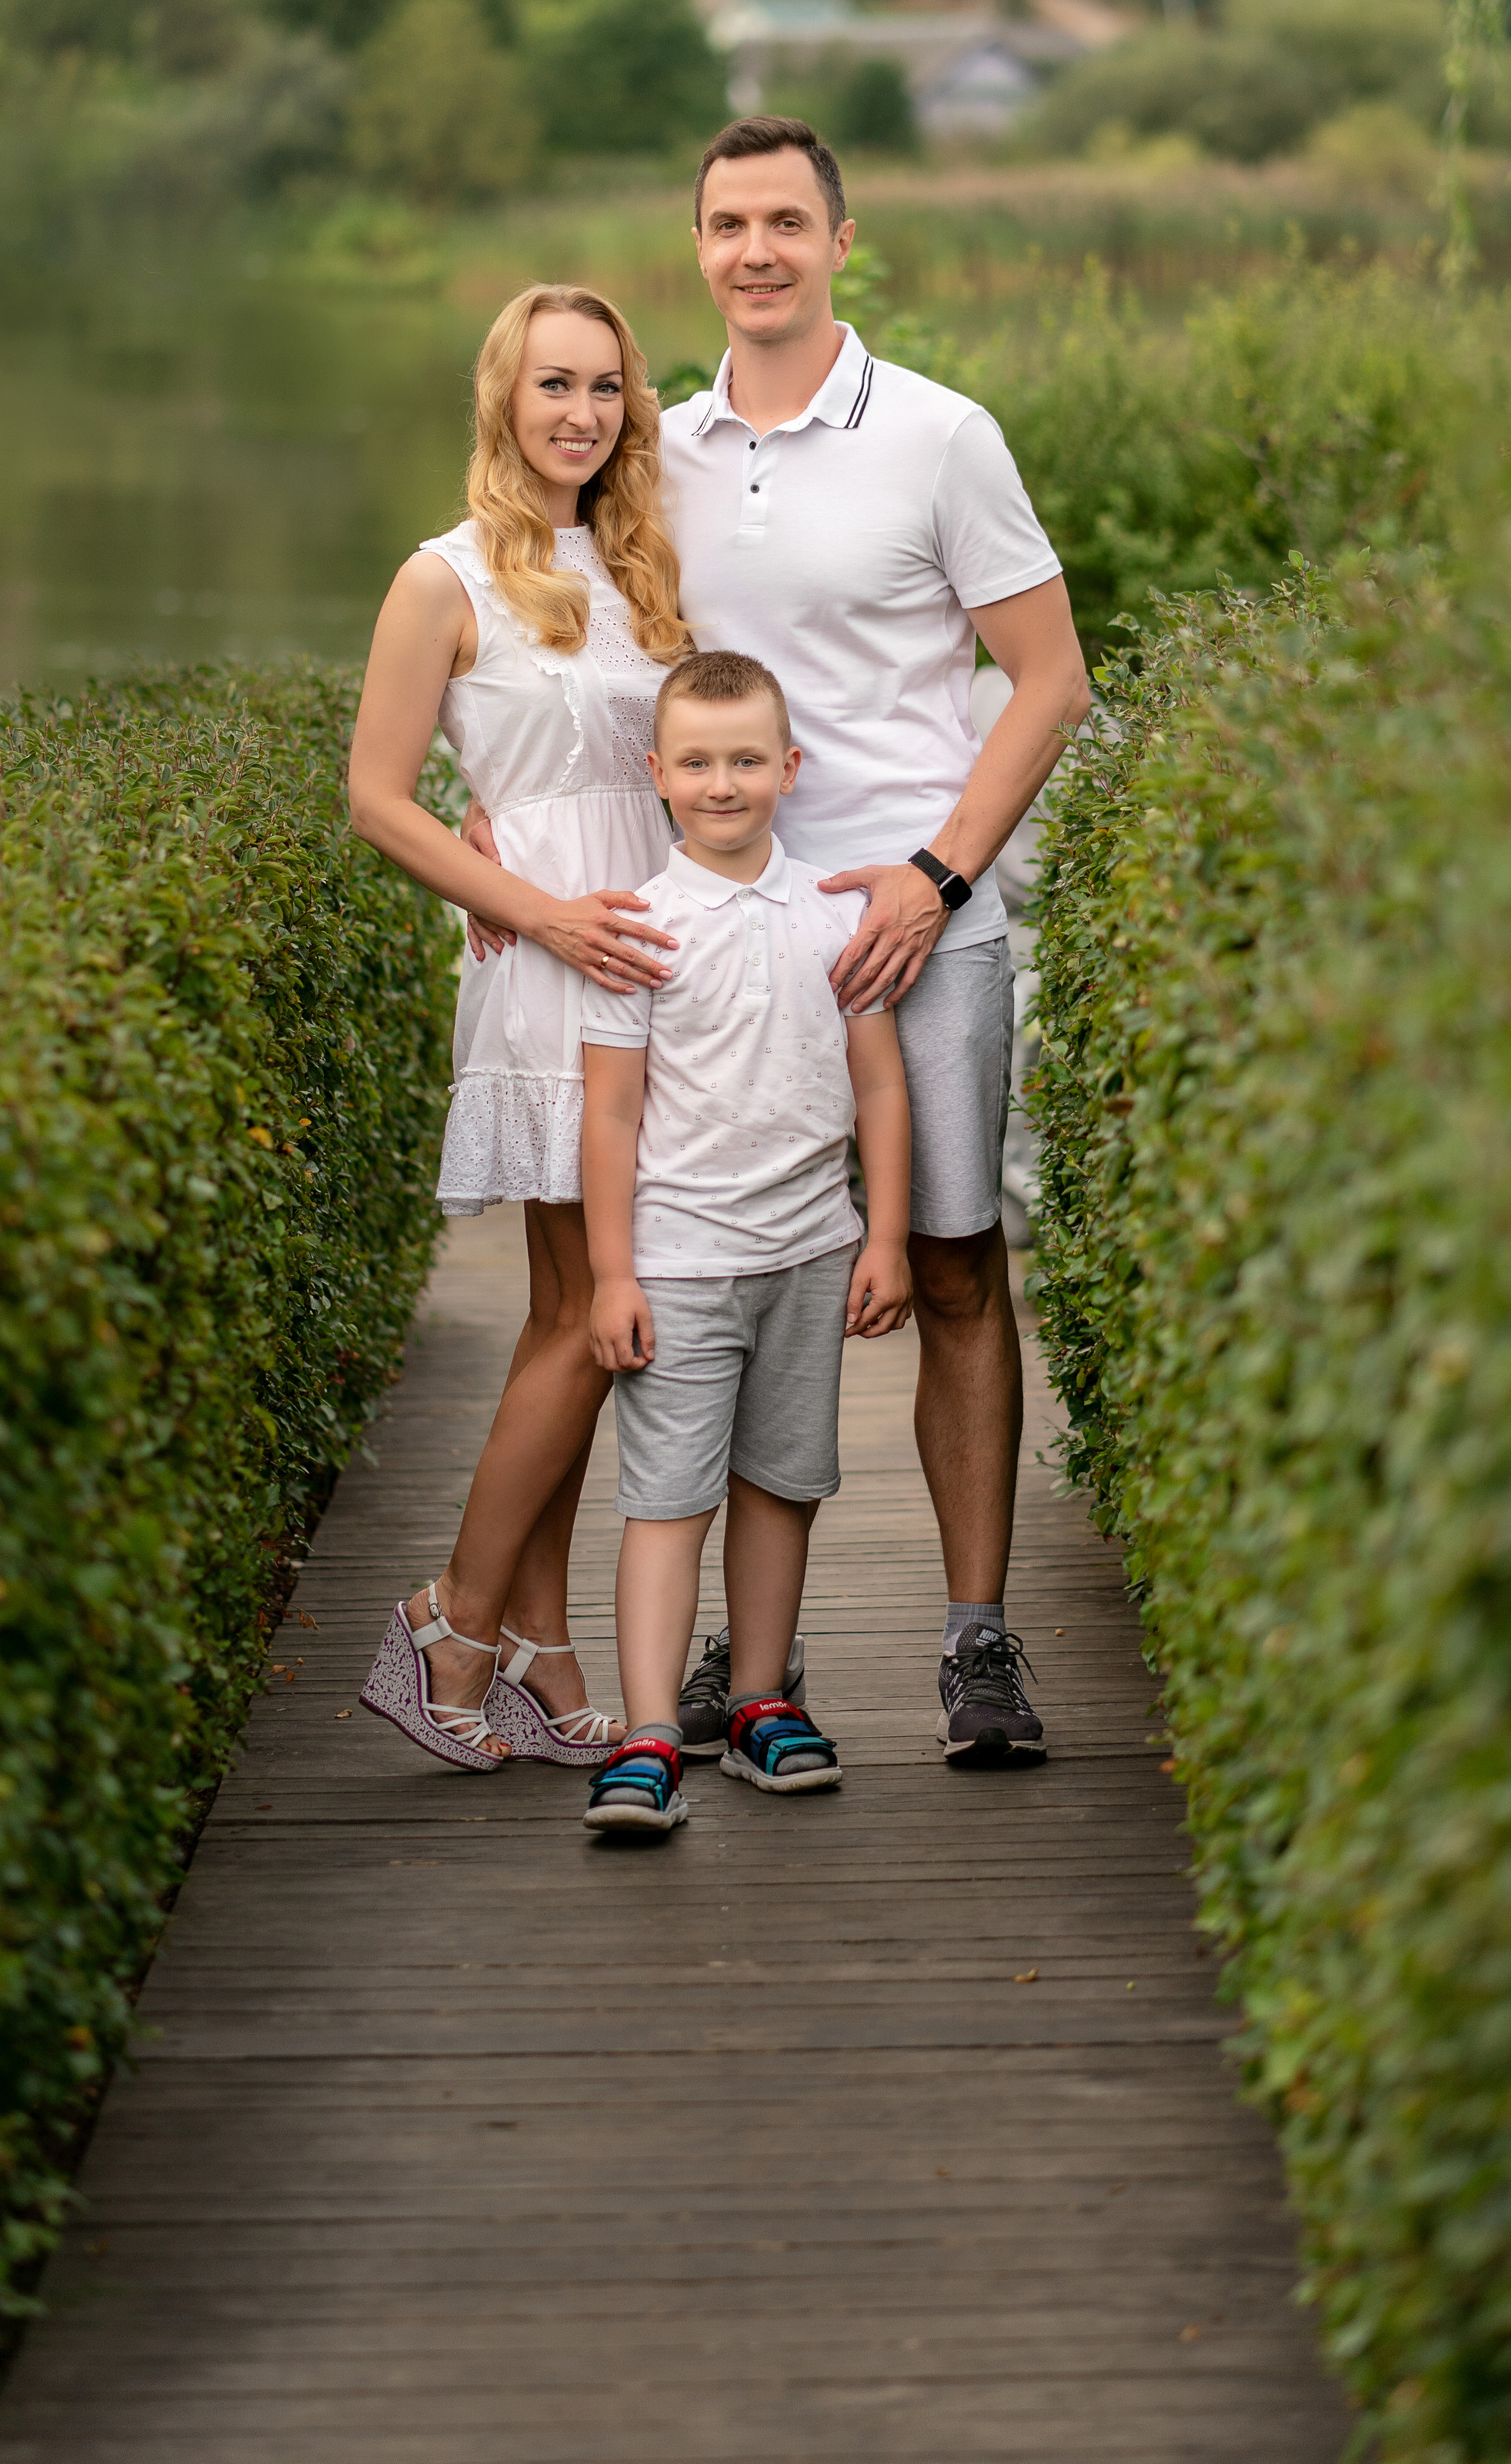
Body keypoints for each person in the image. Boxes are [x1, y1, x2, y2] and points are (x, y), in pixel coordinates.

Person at [665, 117, 1091, 1769]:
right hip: (723, 942)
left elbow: (1046, 680)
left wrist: (935, 875)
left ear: (845, 240)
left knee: (957, 1269)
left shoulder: (940, 437)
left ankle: (974, 1644)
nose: (754, 249)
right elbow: (556, 653)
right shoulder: (655, 444)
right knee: (735, 1280)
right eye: (725, 224)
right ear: (695, 247)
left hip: (920, 920)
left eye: (785, 220)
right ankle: (738, 1648)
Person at [348, 284, 692, 1771]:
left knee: (584, 1320)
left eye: (606, 388)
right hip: (555, 961)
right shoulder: (444, 578)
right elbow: (374, 796)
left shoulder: (644, 565)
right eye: (554, 385)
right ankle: (455, 1618)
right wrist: (520, 896)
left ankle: (542, 1649)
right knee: (579, 1316)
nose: (581, 414)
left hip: (654, 952)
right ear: (504, 398)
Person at [573, 649, 912, 1835]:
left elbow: (879, 1088)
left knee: (781, 1485)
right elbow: (609, 1113)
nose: (725, 784)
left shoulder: (835, 914)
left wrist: (888, 1238)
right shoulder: (639, 927)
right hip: (678, 1260)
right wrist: (612, 1272)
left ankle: (762, 1704)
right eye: (700, 763)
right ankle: (651, 1732)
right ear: (657, 773)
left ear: (790, 767)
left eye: (749, 761)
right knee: (668, 1501)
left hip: (813, 1251)